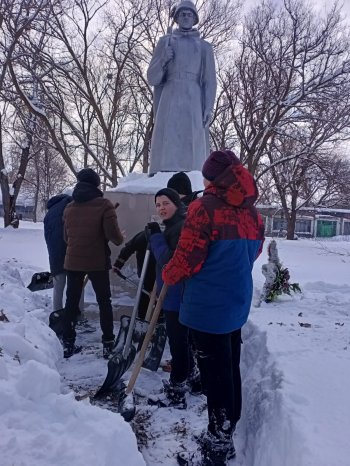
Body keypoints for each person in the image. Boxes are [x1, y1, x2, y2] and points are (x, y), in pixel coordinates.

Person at [162, 150, 265, 465]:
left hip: (208, 308)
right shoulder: (253, 214)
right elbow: (255, 251)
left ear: (212, 178)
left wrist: (169, 274)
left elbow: (187, 258)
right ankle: (225, 429)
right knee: (229, 367)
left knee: (215, 376)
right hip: (236, 301)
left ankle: (218, 445)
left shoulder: (203, 209)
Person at [147, 0, 217, 174]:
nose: (186, 17)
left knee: (192, 136)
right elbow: (152, 78)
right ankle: (162, 171)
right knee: (167, 136)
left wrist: (208, 106)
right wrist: (163, 59)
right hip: (170, 93)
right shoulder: (165, 42)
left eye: (189, 14)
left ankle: (192, 172)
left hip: (193, 95)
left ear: (194, 18)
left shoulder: (204, 47)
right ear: (176, 17)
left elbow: (210, 80)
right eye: (182, 14)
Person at [61, 168, 124, 359]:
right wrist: (121, 236)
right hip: (97, 262)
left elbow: (66, 238)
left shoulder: (69, 207)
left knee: (71, 302)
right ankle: (108, 343)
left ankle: (68, 343)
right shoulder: (104, 205)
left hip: (73, 262)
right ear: (97, 185)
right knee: (104, 302)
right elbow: (115, 237)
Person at [147, 188, 199, 409]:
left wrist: (156, 238)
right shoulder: (173, 226)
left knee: (178, 344)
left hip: (177, 295)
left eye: (166, 203)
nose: (161, 208)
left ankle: (177, 391)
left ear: (177, 203)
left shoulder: (180, 228)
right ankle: (194, 379)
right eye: (158, 205)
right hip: (174, 295)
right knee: (183, 342)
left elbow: (170, 261)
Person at [44, 194, 84, 313]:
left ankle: (57, 315)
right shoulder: (70, 206)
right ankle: (79, 316)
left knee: (58, 287)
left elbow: (48, 237)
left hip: (55, 254)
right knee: (78, 287)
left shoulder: (49, 214)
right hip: (72, 253)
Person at [113, 231, 156, 320]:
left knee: (157, 298)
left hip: (161, 274)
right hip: (147, 273)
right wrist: (118, 264)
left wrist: (118, 265)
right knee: (146, 295)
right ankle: (142, 320)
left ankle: (157, 321)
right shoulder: (144, 236)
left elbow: (128, 248)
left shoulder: (169, 233)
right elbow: (129, 248)